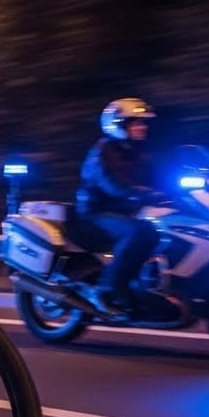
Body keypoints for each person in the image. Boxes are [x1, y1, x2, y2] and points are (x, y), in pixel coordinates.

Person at [73, 97, 164, 315]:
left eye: (143, 123)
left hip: (127, 211)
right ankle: (108, 288)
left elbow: (156, 179)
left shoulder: (137, 152)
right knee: (140, 232)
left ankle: (148, 287)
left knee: (167, 230)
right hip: (96, 213)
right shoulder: (103, 152)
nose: (142, 127)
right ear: (118, 125)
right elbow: (113, 185)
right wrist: (143, 193)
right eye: (136, 123)